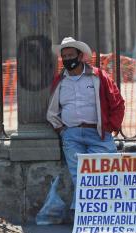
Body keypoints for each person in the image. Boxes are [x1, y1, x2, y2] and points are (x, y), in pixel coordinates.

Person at [47, 37, 125, 210]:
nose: (67, 59)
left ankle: (103, 214)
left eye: (71, 55)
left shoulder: (99, 76)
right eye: (64, 56)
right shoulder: (60, 81)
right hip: (72, 136)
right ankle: (83, 217)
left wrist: (111, 126)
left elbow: (117, 102)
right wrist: (62, 131)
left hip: (98, 134)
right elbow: (52, 111)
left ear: (80, 56)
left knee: (107, 175)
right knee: (79, 177)